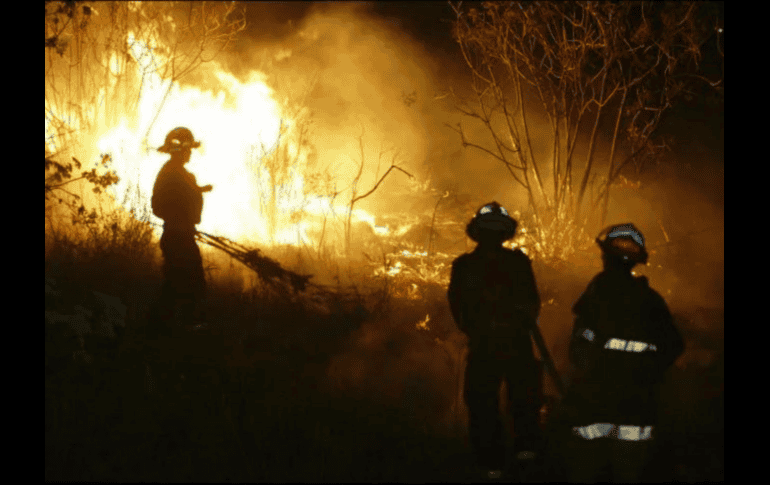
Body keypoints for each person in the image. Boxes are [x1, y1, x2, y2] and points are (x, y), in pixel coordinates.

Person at [562, 223, 684, 483]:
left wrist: (585, 375)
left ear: (606, 256)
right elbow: (673, 345)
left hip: (594, 399)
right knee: (629, 470)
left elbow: (578, 347)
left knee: (587, 467)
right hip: (637, 403)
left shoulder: (596, 295)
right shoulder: (651, 300)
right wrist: (648, 372)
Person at [447, 202, 542, 479]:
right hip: (512, 342)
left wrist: (475, 330)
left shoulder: (465, 265)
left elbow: (457, 306)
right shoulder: (517, 263)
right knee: (518, 400)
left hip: (490, 344)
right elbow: (533, 303)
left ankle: (493, 463)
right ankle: (522, 458)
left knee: (485, 402)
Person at [150, 127, 213, 336]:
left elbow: (189, 207)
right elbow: (159, 205)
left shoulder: (180, 174)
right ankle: (184, 327)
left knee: (176, 282)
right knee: (188, 280)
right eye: (188, 149)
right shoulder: (171, 174)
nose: (191, 153)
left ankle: (164, 328)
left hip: (181, 234)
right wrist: (181, 214)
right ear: (180, 151)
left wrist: (195, 191)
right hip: (178, 237)